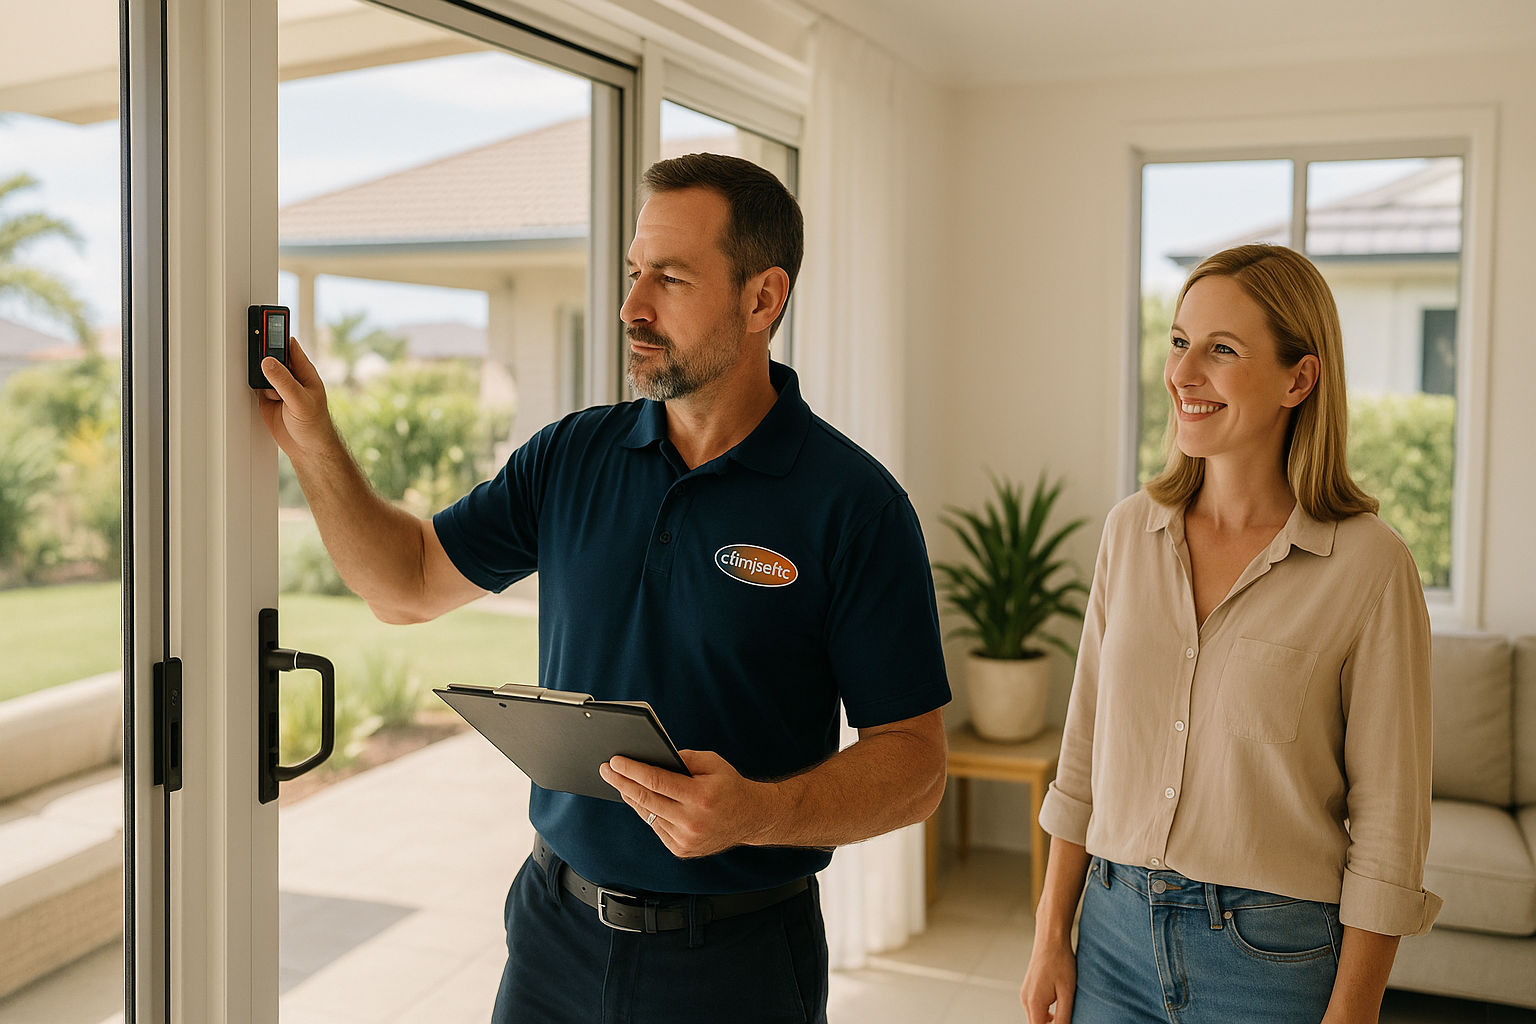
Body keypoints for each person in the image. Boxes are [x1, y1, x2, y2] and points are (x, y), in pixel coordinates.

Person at [258, 152, 951, 1024]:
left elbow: (916, 765)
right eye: (632, 272)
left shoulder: (855, 506)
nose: (631, 307)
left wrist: (756, 813)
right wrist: (314, 440)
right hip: (553, 936)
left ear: (762, 299)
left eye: (669, 277)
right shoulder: (569, 455)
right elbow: (406, 583)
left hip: (737, 965)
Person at [1021, 244, 1441, 1024]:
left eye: (1222, 350)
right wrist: (1052, 934)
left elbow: (1390, 828)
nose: (1182, 374)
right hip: (1110, 939)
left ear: (1299, 378)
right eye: (1180, 342)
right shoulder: (1130, 532)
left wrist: (1353, 1013)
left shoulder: (1371, 567)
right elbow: (1082, 756)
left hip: (1271, 962)